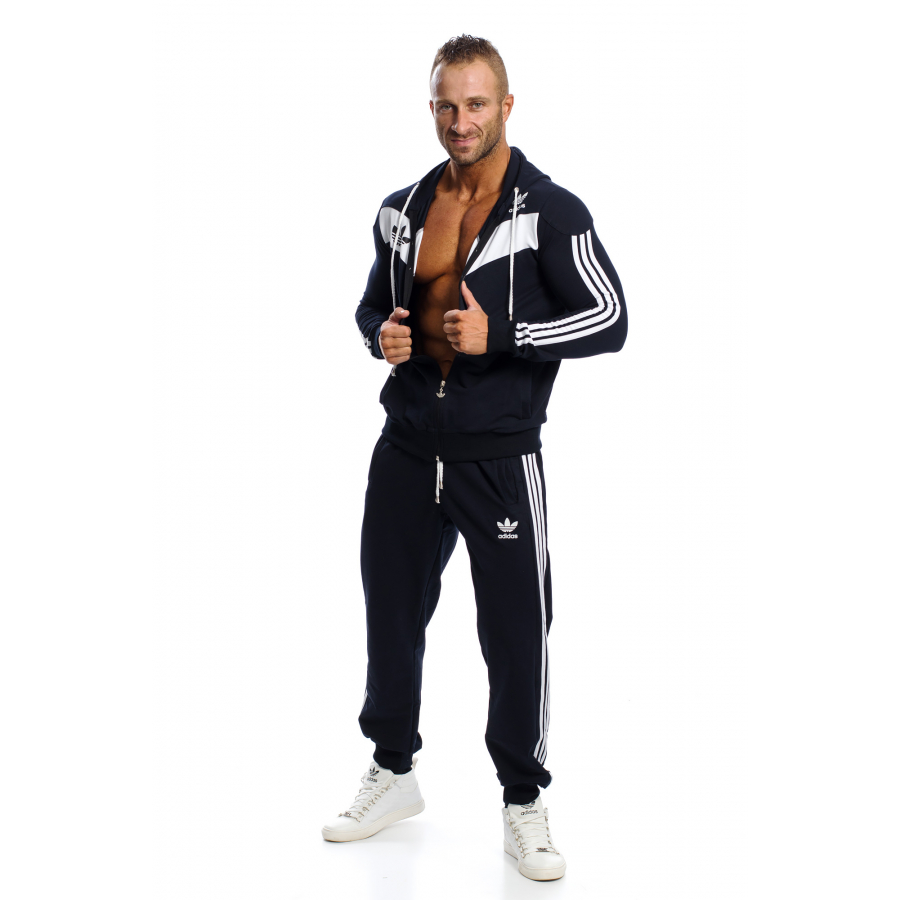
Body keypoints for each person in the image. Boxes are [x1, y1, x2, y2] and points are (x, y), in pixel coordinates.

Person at [321, 34, 627, 881]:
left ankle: (523, 800)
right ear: (432, 109)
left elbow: (611, 317)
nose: (462, 121)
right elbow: (371, 306)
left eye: (477, 104)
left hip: (498, 457)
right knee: (390, 614)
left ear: (506, 106)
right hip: (406, 448)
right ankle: (392, 772)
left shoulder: (550, 211)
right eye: (448, 106)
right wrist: (380, 335)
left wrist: (508, 334)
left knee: (516, 632)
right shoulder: (401, 209)